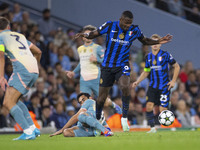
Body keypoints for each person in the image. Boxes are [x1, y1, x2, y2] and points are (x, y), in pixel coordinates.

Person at [75, 10, 173, 131]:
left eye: (130, 23)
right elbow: (95, 34)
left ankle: (124, 117)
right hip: (107, 66)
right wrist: (84, 35)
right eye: (126, 23)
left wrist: (158, 41)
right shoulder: (110, 25)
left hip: (122, 64)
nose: (128, 26)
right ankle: (98, 118)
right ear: (121, 19)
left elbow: (145, 40)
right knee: (101, 98)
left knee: (125, 86)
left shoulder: (134, 30)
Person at [0, 17, 42, 140]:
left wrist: (1, 76)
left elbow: (1, 57)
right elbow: (38, 51)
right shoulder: (20, 36)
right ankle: (33, 129)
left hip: (22, 70)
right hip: (34, 70)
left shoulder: (1, 38)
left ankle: (27, 131)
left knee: (7, 102)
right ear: (8, 27)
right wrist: (35, 66)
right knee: (16, 100)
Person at [66, 25, 122, 114]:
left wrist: (97, 60)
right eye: (86, 34)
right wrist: (73, 72)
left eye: (90, 34)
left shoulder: (97, 48)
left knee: (104, 101)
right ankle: (89, 123)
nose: (88, 36)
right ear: (83, 36)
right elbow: (81, 63)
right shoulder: (80, 49)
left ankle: (114, 105)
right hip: (84, 80)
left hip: (96, 79)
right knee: (84, 103)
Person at [132, 34, 180, 133]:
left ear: (160, 44)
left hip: (164, 86)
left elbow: (177, 66)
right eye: (153, 42)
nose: (155, 44)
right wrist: (138, 81)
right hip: (152, 86)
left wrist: (173, 80)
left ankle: (169, 127)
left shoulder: (165, 55)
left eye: (157, 42)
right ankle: (152, 128)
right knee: (149, 106)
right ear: (150, 44)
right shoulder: (148, 57)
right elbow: (146, 71)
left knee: (162, 109)